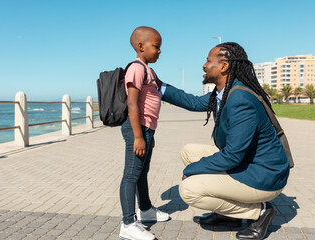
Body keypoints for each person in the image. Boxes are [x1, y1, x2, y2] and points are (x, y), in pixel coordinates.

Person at [157, 42, 290, 240]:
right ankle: (229, 214)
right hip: (249, 164)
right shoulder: (224, 93)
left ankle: (260, 212)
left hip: (265, 175)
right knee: (189, 151)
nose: (204, 65)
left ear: (224, 66)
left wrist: (191, 170)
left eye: (208, 61)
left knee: (189, 190)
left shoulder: (240, 100)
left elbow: (232, 156)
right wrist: (158, 85)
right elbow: (193, 102)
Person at [119, 26, 170, 240]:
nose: (159, 51)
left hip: (147, 129)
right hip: (136, 129)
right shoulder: (137, 68)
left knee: (142, 172)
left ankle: (146, 210)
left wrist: (149, 134)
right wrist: (139, 136)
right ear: (141, 46)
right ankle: (128, 223)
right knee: (131, 175)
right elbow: (132, 103)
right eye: (156, 46)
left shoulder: (149, 70)